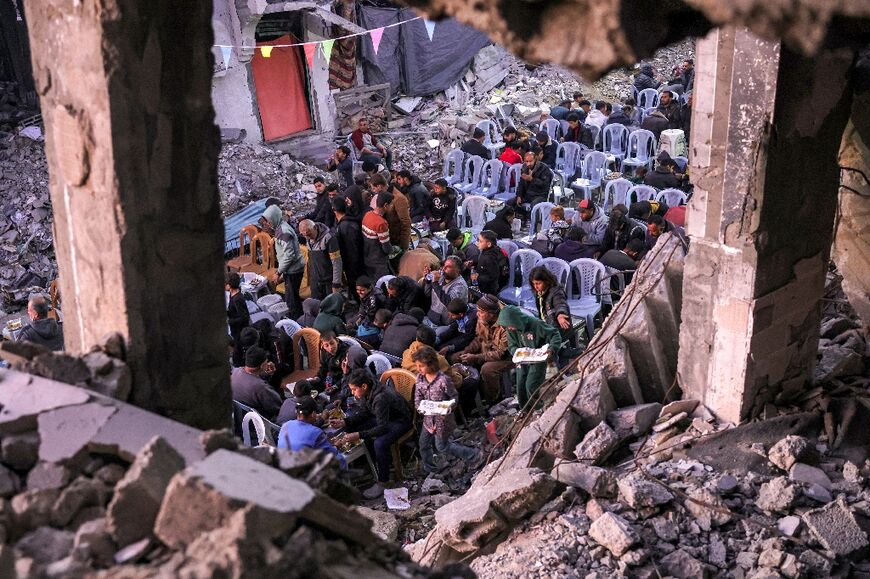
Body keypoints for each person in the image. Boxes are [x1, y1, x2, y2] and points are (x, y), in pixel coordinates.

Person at [331, 369, 412, 498]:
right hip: (385, 418)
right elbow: (365, 411)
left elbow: (382, 428)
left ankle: (383, 481)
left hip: (400, 421)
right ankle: (366, 462)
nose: (352, 393)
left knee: (379, 443)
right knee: (353, 424)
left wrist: (359, 435)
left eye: (354, 389)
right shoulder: (367, 392)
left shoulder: (380, 398)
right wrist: (346, 421)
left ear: (364, 386)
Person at [412, 346, 480, 474]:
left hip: (442, 420)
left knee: (442, 446)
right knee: (423, 444)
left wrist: (448, 408)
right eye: (417, 366)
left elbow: (454, 397)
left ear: (431, 365)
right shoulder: (420, 379)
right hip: (428, 419)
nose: (418, 369)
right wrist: (420, 407)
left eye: (421, 366)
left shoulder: (443, 380)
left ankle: (473, 455)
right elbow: (418, 397)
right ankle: (431, 469)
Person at [497, 306, 562, 411]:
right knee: (521, 385)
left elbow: (555, 334)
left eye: (511, 326)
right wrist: (516, 352)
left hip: (538, 358)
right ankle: (525, 409)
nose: (510, 329)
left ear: (517, 320)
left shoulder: (535, 324)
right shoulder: (510, 329)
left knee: (531, 385)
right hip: (522, 360)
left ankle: (538, 408)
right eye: (508, 327)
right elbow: (512, 345)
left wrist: (551, 349)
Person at [449, 294, 511, 403]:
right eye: (477, 310)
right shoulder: (481, 319)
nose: (477, 314)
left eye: (481, 312)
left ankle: (493, 399)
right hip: (487, 351)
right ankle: (472, 399)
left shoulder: (505, 326)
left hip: (507, 356)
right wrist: (467, 350)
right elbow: (479, 339)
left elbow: (501, 353)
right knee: (455, 358)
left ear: (491, 314)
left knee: (487, 369)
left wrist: (476, 357)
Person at [260, 205, 305, 319]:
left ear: (274, 218)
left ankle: (297, 321)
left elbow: (289, 256)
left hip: (293, 270)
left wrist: (278, 272)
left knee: (291, 299)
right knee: (292, 297)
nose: (268, 224)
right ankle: (298, 318)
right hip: (291, 268)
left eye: (269, 221)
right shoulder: (281, 228)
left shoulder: (283, 232)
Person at [277, 397, 347, 468]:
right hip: (304, 472)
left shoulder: (286, 425)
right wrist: (336, 445)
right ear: (313, 414)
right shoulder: (315, 432)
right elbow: (331, 453)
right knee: (340, 458)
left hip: (285, 467)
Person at [231, 347, 283, 422]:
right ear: (262, 366)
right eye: (266, 361)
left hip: (241, 417)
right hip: (260, 420)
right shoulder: (261, 387)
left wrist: (266, 374)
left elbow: (249, 379)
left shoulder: (235, 371)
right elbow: (278, 406)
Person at [421, 255, 469, 336]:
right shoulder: (441, 277)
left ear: (458, 270)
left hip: (445, 324)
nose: (443, 269)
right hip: (431, 317)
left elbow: (450, 303)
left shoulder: (460, 285)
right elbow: (427, 293)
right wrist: (428, 280)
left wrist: (435, 283)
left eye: (448, 267)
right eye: (444, 266)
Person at [298, 219, 343, 300]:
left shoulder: (329, 238)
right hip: (315, 280)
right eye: (304, 235)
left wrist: (336, 284)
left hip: (328, 281)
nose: (307, 237)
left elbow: (337, 263)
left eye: (309, 234)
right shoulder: (307, 236)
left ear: (315, 227)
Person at [332, 196, 364, 292]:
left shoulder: (346, 226)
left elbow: (352, 250)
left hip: (353, 267)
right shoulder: (345, 223)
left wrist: (350, 269)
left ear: (334, 209)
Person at [361, 192, 394, 280]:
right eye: (391, 205)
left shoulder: (367, 215)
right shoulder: (381, 223)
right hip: (379, 261)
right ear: (386, 205)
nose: (392, 207)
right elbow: (386, 247)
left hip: (367, 257)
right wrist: (393, 250)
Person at [382, 179, 412, 255]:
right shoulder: (380, 196)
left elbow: (405, 222)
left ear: (379, 186)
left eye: (373, 188)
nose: (373, 190)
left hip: (397, 239)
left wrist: (404, 246)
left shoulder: (399, 198)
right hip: (390, 238)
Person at [473, 230, 508, 295]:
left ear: (489, 244)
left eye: (480, 241)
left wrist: (477, 277)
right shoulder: (492, 250)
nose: (477, 243)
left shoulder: (489, 258)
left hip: (489, 290)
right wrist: (474, 263)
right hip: (488, 285)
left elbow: (493, 276)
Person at [225, 272, 250, 344]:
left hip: (239, 329)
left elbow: (244, 317)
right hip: (235, 327)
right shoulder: (232, 293)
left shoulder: (237, 299)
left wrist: (229, 322)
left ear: (229, 285)